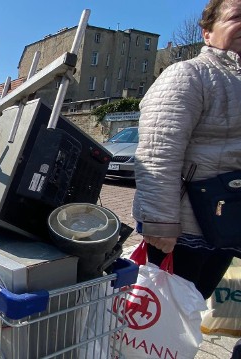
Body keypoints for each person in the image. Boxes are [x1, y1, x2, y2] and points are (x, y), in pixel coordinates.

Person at [133, 0, 241, 301]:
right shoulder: (190, 74)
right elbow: (158, 151)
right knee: (158, 321)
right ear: (207, 33)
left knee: (191, 307)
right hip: (183, 233)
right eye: (236, 17)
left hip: (226, 227)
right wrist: (160, 222)